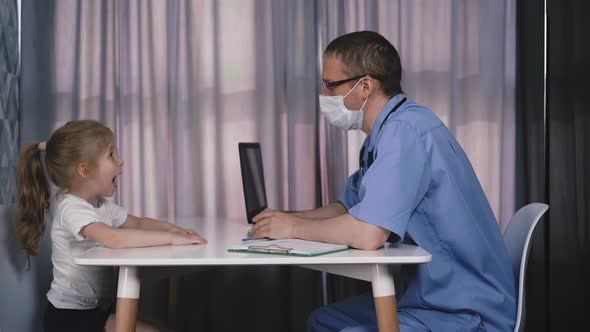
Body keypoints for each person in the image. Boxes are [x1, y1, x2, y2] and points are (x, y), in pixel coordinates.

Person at [250, 31, 516, 332]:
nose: (323, 95)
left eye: (330, 85)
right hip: (426, 297)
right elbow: (346, 208)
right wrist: (284, 219)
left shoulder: (406, 133)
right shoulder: (384, 134)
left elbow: (368, 233)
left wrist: (293, 228)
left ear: (365, 86)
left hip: (464, 310)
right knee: (322, 322)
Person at [16, 120, 207, 332]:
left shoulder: (102, 205)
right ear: (84, 170)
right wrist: (171, 240)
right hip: (69, 317)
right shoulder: (71, 209)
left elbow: (138, 223)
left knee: (161, 326)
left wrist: (174, 230)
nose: (121, 160)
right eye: (111, 155)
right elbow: (114, 239)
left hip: (98, 309)